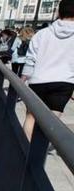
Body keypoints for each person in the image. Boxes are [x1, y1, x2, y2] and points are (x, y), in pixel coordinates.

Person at [22, 0, 74, 140]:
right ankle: (39, 153)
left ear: (58, 12)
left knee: (31, 117)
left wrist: (23, 78)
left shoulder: (42, 34)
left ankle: (26, 151)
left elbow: (31, 59)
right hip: (64, 84)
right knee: (51, 123)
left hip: (39, 80)